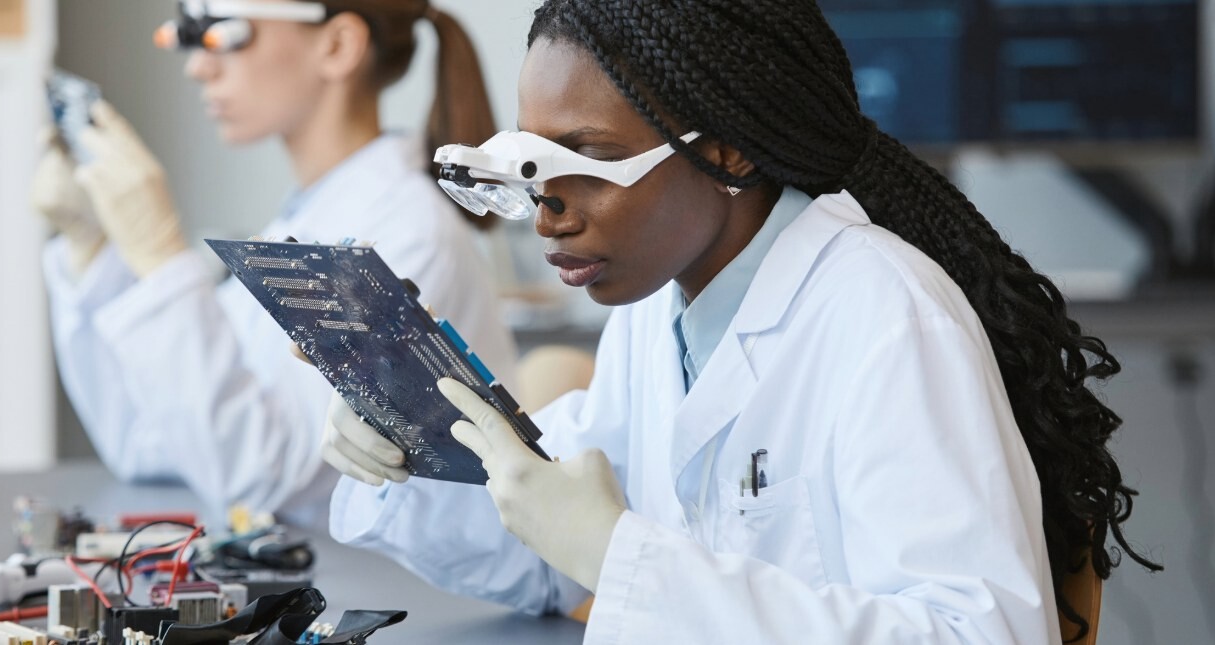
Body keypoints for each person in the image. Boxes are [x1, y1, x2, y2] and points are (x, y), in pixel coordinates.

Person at [322, 0, 1160, 641]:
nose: (548, 212)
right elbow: (544, 548)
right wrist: (407, 436)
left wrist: (623, 559)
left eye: (589, 161)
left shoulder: (887, 316)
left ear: (727, 150)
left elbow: (979, 631)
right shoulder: (658, 316)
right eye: (536, 166)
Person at [31, 0, 517, 529]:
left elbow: (262, 474)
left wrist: (162, 261)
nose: (198, 66)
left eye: (228, 37)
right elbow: (145, 443)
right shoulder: (313, 213)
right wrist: (93, 249)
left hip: (400, 594)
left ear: (337, 46)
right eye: (191, 40)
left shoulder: (409, 235)